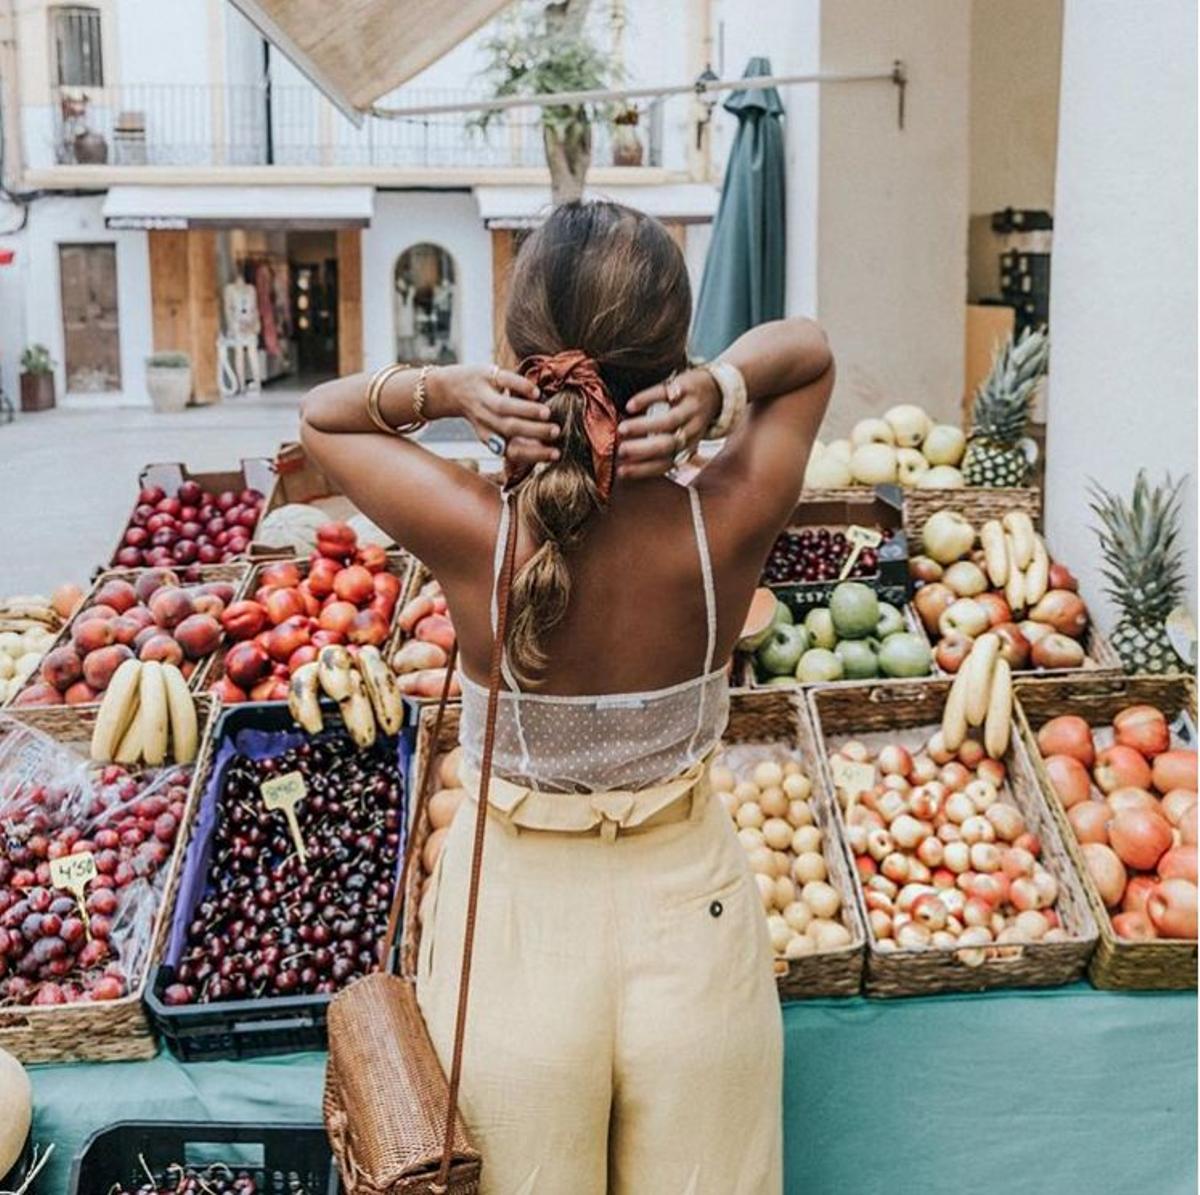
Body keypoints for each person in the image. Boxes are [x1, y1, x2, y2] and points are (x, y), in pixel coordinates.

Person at [300, 200, 834, 1195]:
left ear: (519, 360)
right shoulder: (723, 529)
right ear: (671, 357)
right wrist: (723, 386)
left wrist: (442, 388)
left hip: (513, 942)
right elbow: (807, 354)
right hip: (697, 936)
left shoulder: (477, 532)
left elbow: (325, 416)